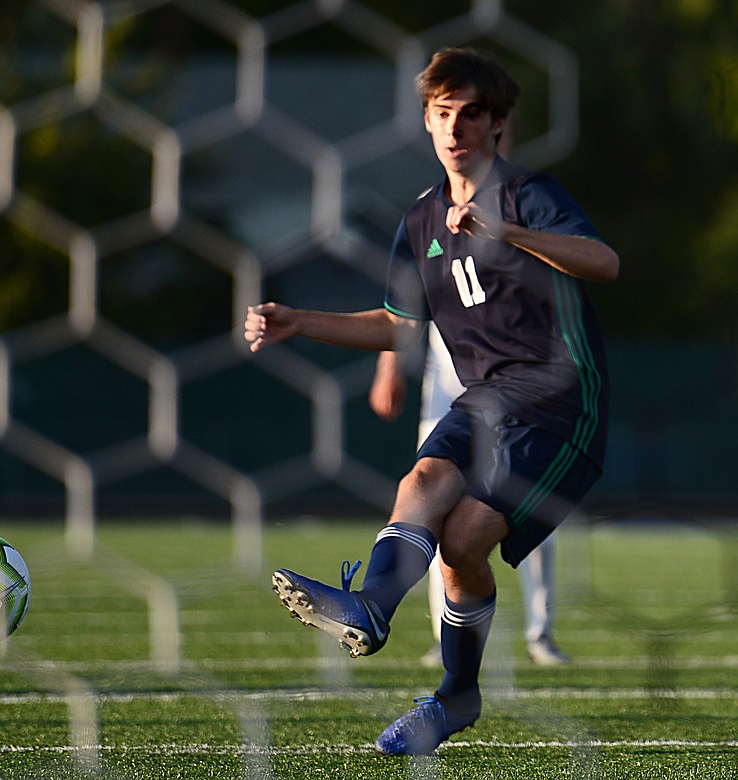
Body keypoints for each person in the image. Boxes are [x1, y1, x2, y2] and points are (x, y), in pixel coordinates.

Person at [243, 47, 618, 755]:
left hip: (561, 404)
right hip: (485, 400)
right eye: (443, 112)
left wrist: (510, 235)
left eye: (472, 113)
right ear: (425, 120)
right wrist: (302, 321)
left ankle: (447, 689)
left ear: (499, 125)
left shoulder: (529, 195)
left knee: (467, 537)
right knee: (426, 490)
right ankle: (388, 624)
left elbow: (605, 262)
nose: (456, 127)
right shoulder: (419, 222)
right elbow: (397, 327)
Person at [369, 324, 570, 668]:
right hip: (449, 389)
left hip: (518, 385)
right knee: (430, 511)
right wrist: (388, 367)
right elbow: (402, 308)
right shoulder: (433, 267)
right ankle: (442, 638)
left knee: (533, 511)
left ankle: (541, 634)